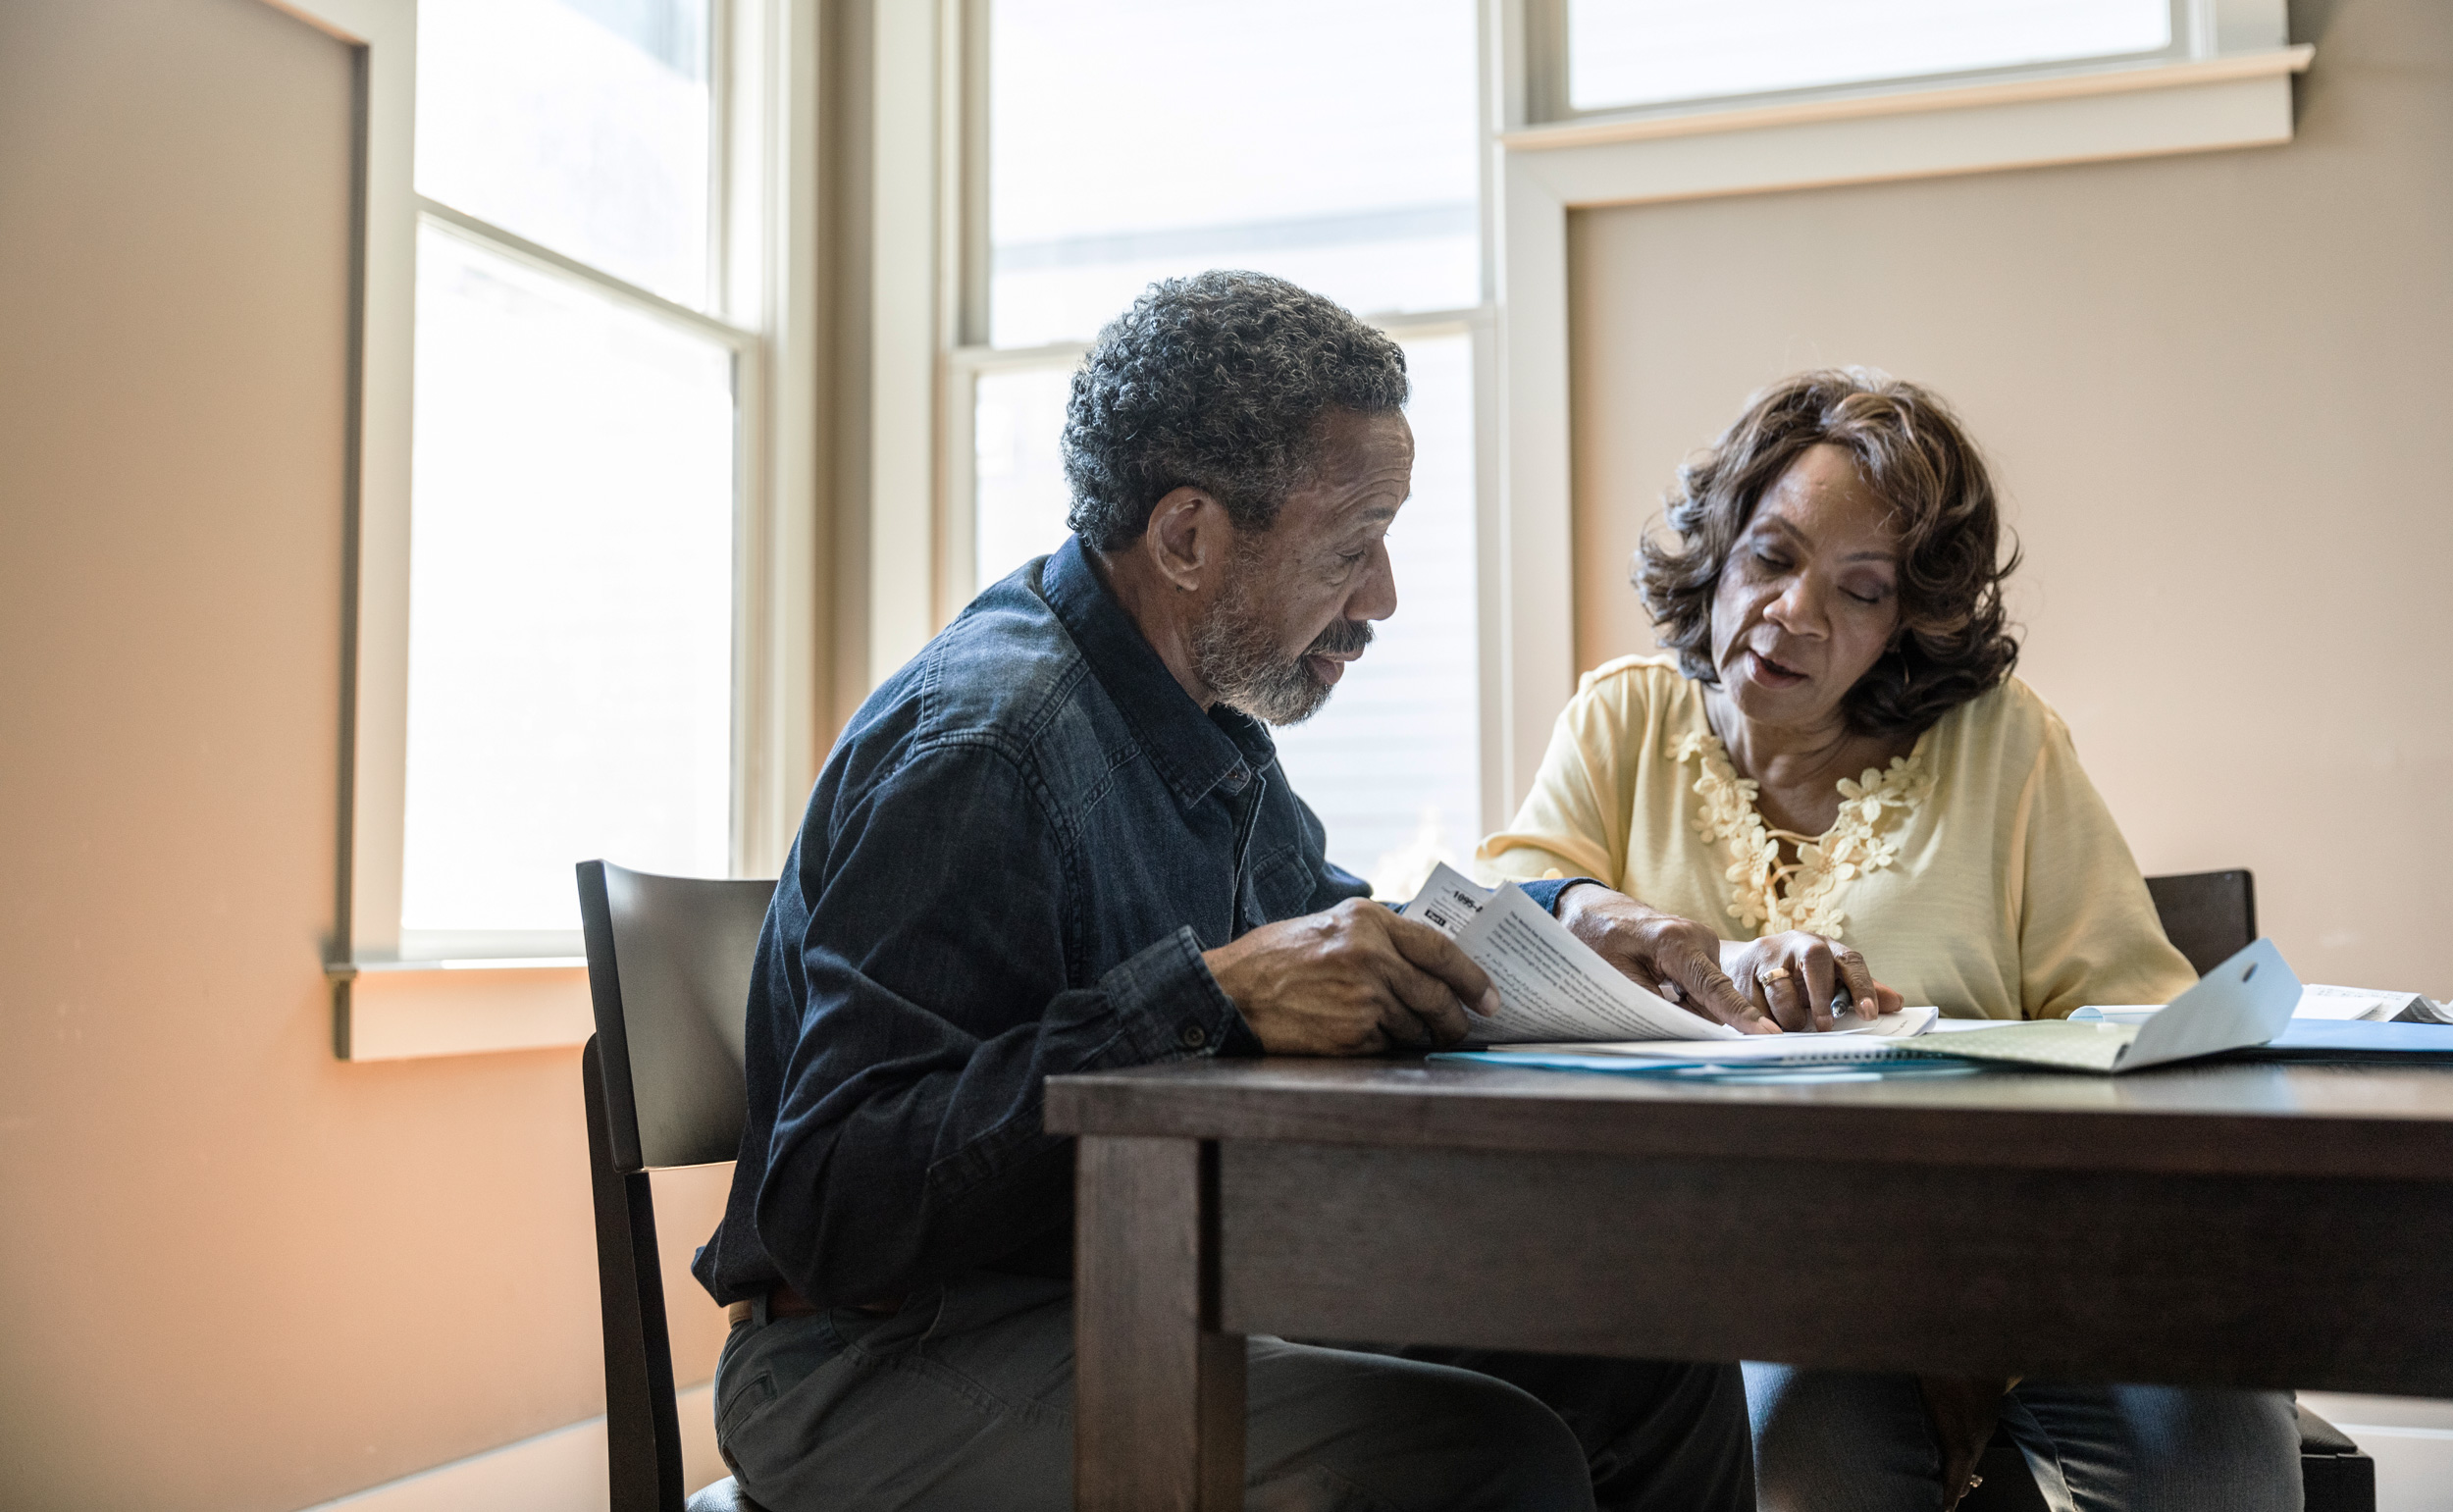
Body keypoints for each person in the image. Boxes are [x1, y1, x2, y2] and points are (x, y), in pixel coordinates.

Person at [694, 270, 1758, 1512]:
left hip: (1133, 1288)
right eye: (1351, 546)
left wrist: (1574, 929)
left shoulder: (1203, 719)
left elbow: (1354, 942)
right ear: (1189, 535)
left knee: (1652, 1360)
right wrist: (1205, 1002)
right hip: (871, 1358)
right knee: (1481, 1459)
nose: (1382, 598)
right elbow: (834, 1198)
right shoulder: (985, 747)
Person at [1479, 369, 2303, 1512]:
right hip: (1762, 1280)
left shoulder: (2003, 745)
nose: (1792, 613)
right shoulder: (1622, 716)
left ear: (1908, 620)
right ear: (1719, 545)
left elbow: (2139, 1022)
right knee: (1801, 1465)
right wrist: (1595, 906)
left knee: (2217, 1466)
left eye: (1857, 591)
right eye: (1770, 556)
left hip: (2039, 1264)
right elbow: (1505, 893)